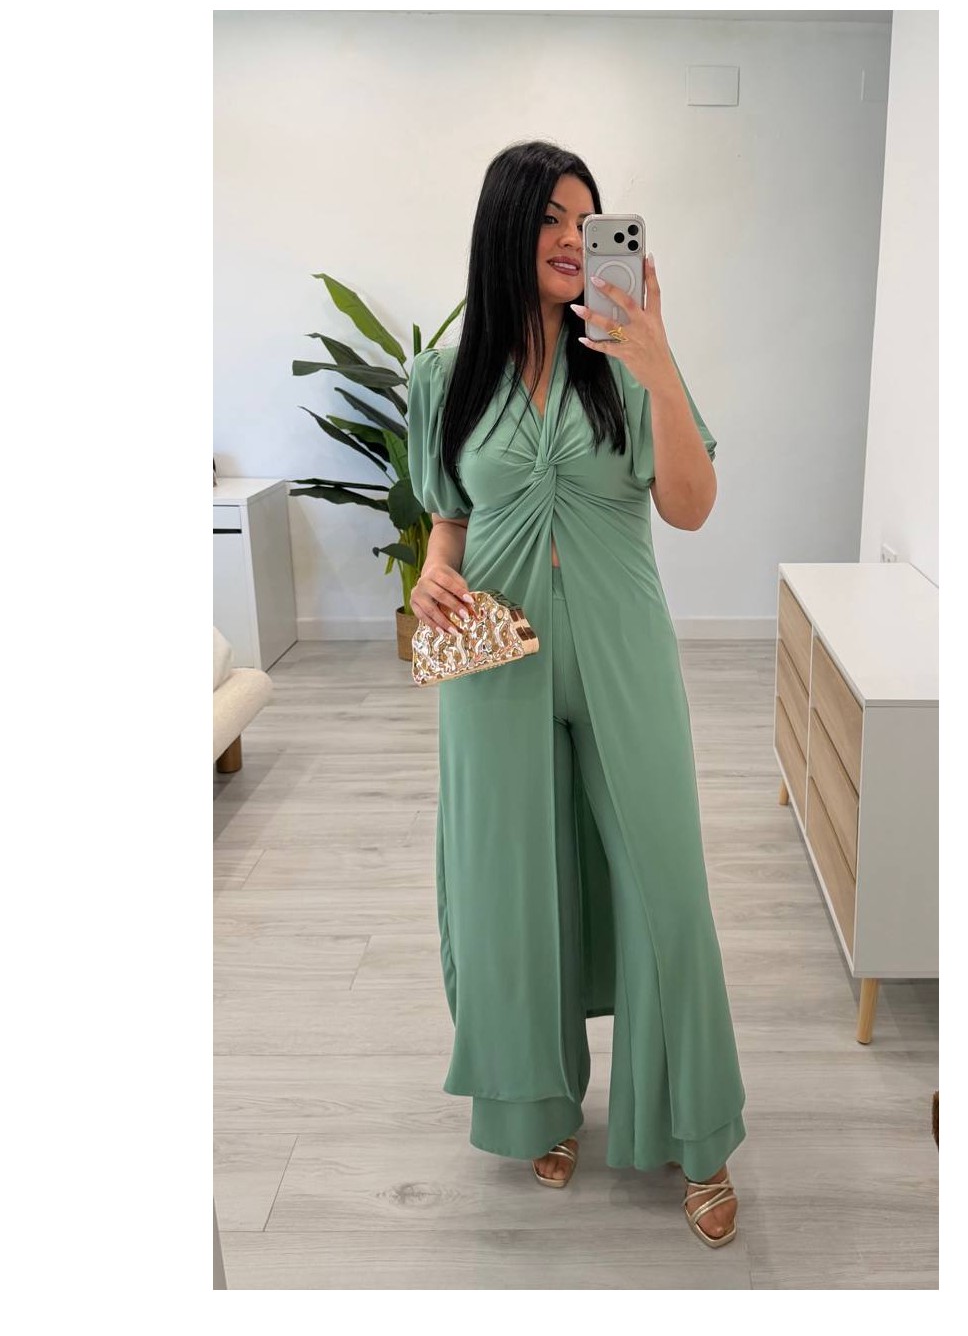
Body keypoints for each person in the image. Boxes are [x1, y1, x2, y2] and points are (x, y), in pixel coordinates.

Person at [407, 140, 746, 1248]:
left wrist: (658, 360)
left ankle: (697, 1131)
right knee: (509, 896)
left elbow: (690, 506)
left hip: (621, 650)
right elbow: (448, 515)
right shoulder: (445, 376)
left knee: (666, 890)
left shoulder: (627, 360)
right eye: (550, 217)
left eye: (587, 219)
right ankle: (538, 1106)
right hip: (493, 659)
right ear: (505, 228)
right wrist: (431, 572)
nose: (570, 237)